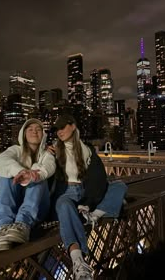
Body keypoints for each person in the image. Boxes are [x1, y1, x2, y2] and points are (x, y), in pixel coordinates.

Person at [49, 114, 127, 280]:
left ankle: (93, 215)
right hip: (66, 193)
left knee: (119, 186)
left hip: (85, 192)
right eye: (57, 129)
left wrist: (89, 203)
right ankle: (78, 259)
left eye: (63, 127)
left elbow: (98, 178)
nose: (59, 132)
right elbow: (44, 170)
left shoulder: (87, 150)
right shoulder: (55, 150)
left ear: (73, 126)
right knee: (63, 205)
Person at [0, 118, 56, 251]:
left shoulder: (46, 154)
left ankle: (23, 224)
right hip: (16, 205)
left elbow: (49, 166)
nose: (34, 132)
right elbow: (2, 159)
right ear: (24, 133)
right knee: (6, 173)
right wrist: (20, 171)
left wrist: (33, 174)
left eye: (38, 129)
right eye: (30, 129)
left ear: (43, 135)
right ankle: (4, 227)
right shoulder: (15, 150)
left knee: (37, 175)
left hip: (39, 207)